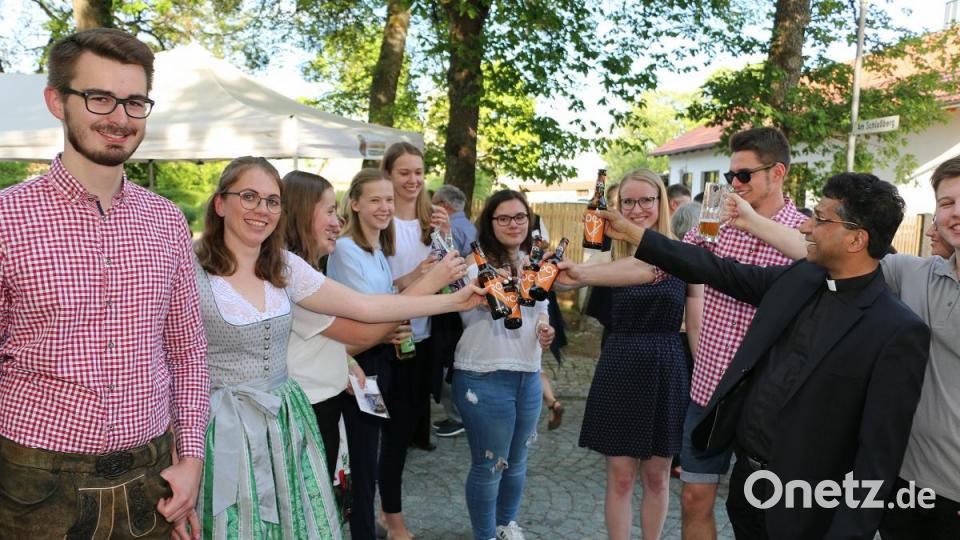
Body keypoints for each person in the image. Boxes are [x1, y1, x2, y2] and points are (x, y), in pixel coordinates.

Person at [600, 172, 930, 539]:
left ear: (856, 239)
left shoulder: (896, 330)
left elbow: (878, 458)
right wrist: (633, 234)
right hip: (749, 490)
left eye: (820, 219)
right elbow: (715, 268)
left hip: (805, 508)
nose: (806, 226)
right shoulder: (801, 277)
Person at [193, 158, 477, 539]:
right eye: (249, 197)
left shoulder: (284, 266)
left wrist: (453, 301)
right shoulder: (191, 267)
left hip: (286, 418)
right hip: (221, 424)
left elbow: (367, 307)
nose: (262, 210)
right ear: (220, 204)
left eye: (272, 201)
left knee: (295, 521)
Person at [0, 28, 207, 540]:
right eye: (99, 98)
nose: (119, 118)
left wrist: (192, 459)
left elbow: (187, 349)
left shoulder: (166, 220)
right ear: (57, 101)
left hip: (151, 474)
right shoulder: (8, 218)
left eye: (134, 102)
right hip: (32, 480)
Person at [720, 158, 960, 539]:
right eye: (946, 203)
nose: (955, 212)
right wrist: (750, 220)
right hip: (910, 484)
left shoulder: (897, 321)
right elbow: (829, 251)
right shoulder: (915, 274)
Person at [677, 127, 808, 540]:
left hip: (767, 398)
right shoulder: (716, 221)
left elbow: (822, 266)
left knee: (764, 511)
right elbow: (670, 263)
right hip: (711, 389)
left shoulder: (803, 232)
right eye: (730, 175)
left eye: (745, 175)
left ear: (778, 173)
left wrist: (752, 223)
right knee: (694, 499)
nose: (735, 184)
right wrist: (586, 274)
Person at [556, 170, 702, 540]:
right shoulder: (605, 257)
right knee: (620, 477)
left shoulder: (685, 255)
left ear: (662, 204)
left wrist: (703, 384)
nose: (637, 209)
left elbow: (696, 327)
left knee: (657, 476)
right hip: (619, 363)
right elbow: (579, 279)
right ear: (617, 207)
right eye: (628, 202)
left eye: (646, 200)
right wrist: (566, 274)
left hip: (667, 364)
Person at [453, 189, 555, 540]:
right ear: (490, 223)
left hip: (527, 374)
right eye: (504, 218)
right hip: (483, 374)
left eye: (520, 217)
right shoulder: (474, 266)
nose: (514, 224)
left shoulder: (534, 262)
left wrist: (545, 331)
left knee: (517, 463)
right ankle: (484, 535)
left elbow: (541, 311)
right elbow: (461, 307)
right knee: (489, 464)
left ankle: (506, 526)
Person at [430, 184, 477, 438]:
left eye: (434, 202)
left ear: (444, 206)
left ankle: (457, 416)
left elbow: (449, 269)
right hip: (464, 300)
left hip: (452, 301)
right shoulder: (469, 226)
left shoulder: (453, 229)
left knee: (448, 361)